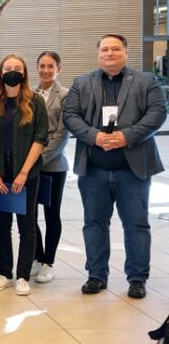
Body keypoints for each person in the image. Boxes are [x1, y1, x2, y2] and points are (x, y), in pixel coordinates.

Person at [63, 34, 167, 299]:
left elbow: (157, 113)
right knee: (94, 223)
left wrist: (127, 136)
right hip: (94, 169)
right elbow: (70, 115)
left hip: (132, 169)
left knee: (136, 225)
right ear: (98, 54)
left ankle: (137, 278)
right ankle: (96, 275)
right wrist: (94, 136)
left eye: (116, 49)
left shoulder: (146, 82)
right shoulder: (82, 83)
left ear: (125, 53)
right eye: (105, 49)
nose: (110, 53)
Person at [0, 54, 48, 296]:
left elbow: (40, 138)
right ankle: (4, 273)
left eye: (17, 68)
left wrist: (23, 172)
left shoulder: (35, 101)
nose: (12, 71)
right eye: (8, 68)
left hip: (26, 176)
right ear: (0, 72)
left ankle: (22, 275)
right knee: (0, 225)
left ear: (24, 73)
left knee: (26, 225)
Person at [33, 51, 69, 283]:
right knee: (29, 214)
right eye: (42, 66)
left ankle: (49, 262)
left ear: (58, 69)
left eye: (51, 66)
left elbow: (61, 134)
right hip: (30, 166)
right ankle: (37, 255)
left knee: (51, 213)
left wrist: (38, 159)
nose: (46, 70)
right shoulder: (30, 93)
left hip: (53, 165)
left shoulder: (65, 95)